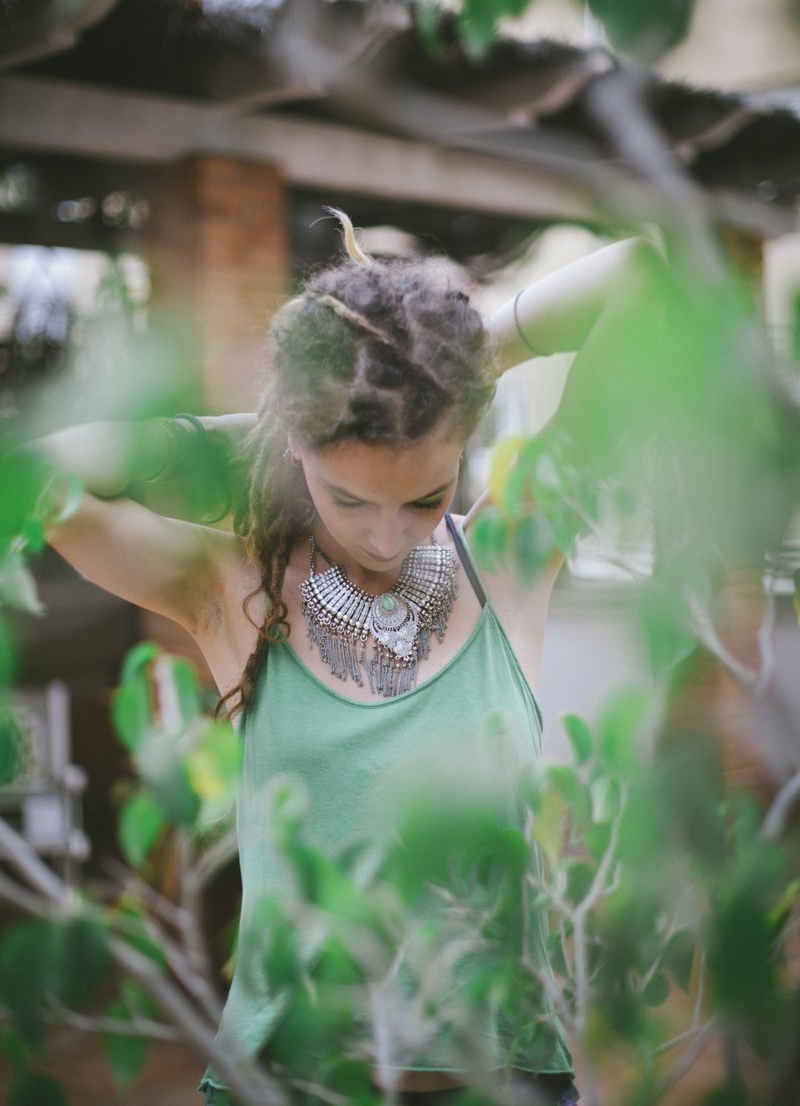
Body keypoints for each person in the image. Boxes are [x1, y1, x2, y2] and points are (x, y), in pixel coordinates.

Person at [35, 215, 650, 1106]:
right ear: (299, 455)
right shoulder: (230, 587)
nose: (385, 534)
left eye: (426, 497)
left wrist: (467, 360)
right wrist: (268, 424)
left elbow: (641, 274)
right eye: (349, 495)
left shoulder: (512, 559)